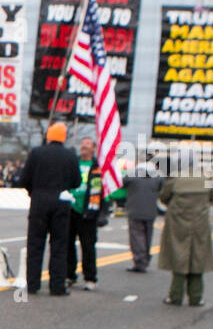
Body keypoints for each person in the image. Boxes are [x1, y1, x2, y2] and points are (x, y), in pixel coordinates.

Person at [19, 122, 81, 295]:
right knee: (59, 245)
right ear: (64, 137)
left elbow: (24, 179)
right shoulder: (70, 155)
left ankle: (32, 284)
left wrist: (34, 192)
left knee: (35, 244)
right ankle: (57, 285)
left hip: (39, 201)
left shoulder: (36, 153)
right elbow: (77, 181)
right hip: (60, 202)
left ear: (48, 135)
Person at [157, 172, 213, 306]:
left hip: (178, 220)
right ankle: (196, 297)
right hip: (200, 222)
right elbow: (211, 197)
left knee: (179, 255)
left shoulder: (175, 179)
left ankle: (175, 295)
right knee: (198, 256)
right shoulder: (207, 179)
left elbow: (164, 197)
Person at [65, 136, 113, 291]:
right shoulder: (73, 163)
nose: (83, 146)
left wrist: (102, 213)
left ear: (93, 148)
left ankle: (90, 277)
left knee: (88, 246)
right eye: (82, 143)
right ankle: (69, 275)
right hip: (70, 208)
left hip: (88, 211)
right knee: (67, 244)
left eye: (87, 144)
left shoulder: (97, 166)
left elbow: (104, 191)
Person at [122, 159, 163, 272]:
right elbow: (161, 187)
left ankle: (140, 261)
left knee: (136, 236)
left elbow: (122, 183)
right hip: (150, 212)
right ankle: (145, 258)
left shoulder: (132, 176)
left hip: (134, 210)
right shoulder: (157, 178)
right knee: (147, 236)